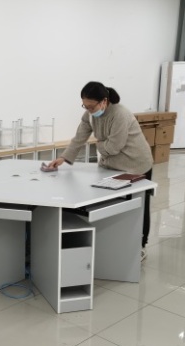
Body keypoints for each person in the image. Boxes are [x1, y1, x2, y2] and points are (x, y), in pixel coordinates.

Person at [47, 81, 153, 259]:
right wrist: (63, 157)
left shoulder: (120, 114)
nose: (89, 110)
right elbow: (79, 137)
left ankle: (140, 245)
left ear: (104, 101)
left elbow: (114, 147)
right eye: (85, 106)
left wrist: (99, 144)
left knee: (139, 206)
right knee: (111, 203)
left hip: (136, 165)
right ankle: (112, 243)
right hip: (111, 166)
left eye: (91, 106)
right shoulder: (90, 115)